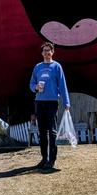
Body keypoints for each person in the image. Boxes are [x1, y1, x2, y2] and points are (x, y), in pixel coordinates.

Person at [29, 41, 70, 170]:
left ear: (52, 52)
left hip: (52, 102)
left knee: (52, 132)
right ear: (42, 53)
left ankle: (52, 160)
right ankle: (44, 158)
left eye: (49, 50)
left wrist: (66, 102)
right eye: (44, 50)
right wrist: (36, 87)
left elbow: (62, 85)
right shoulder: (37, 67)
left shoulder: (57, 67)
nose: (47, 53)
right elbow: (31, 84)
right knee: (42, 132)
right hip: (39, 102)